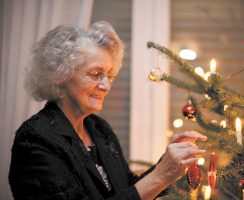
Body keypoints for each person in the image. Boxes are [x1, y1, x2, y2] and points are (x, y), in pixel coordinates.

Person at [8, 21, 207, 200]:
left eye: (109, 75)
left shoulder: (99, 128)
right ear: (60, 76)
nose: (106, 86)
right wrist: (160, 175)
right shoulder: (35, 139)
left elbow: (128, 188)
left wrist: (170, 164)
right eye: (96, 74)